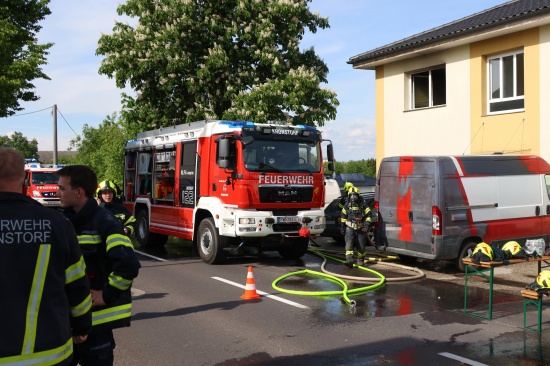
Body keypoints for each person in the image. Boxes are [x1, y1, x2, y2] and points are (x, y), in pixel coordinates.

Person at [0, 148, 91, 366]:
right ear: (24, 177)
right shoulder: (57, 224)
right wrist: (81, 327)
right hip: (50, 352)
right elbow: (78, 284)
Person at [56, 165, 141, 366]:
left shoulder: (105, 222)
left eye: (61, 188)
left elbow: (127, 264)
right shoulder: (65, 220)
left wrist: (106, 294)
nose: (57, 192)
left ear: (79, 192)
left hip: (96, 325)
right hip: (70, 323)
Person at [341, 190, 372, 267]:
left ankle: (361, 260)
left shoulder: (363, 205)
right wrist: (342, 227)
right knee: (349, 245)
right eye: (351, 196)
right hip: (350, 228)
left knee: (361, 247)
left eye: (355, 196)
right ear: (349, 197)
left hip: (361, 229)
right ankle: (349, 261)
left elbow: (369, 215)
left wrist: (366, 225)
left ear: (358, 196)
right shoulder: (347, 205)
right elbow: (343, 216)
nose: (353, 198)